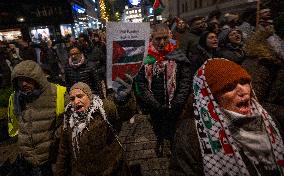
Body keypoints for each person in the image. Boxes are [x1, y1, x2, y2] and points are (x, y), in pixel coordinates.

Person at [170, 58, 284, 176]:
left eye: (244, 82)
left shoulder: (267, 119)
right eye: (229, 87)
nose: (242, 91)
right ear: (212, 97)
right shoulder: (192, 133)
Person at [134, 23, 192, 156]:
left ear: (169, 36)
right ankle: (159, 141)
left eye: (165, 38)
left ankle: (173, 145)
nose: (162, 42)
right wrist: (153, 103)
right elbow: (141, 83)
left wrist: (178, 102)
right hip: (155, 104)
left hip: (175, 104)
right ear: (151, 38)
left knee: (173, 127)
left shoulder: (178, 54)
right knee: (157, 126)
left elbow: (185, 80)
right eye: (158, 39)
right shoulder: (145, 58)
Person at [55, 81, 135, 176]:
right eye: (72, 99)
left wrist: (123, 101)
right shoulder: (68, 121)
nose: (76, 101)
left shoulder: (104, 108)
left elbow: (123, 114)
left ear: (89, 96)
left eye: (80, 96)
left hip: (112, 170)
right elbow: (63, 152)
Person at [7, 60, 68, 176]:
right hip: (27, 161)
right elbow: (15, 125)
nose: (24, 84)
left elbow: (69, 120)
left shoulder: (58, 93)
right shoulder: (15, 98)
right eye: (20, 80)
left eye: (28, 79)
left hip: (52, 159)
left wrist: (57, 139)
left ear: (38, 78)